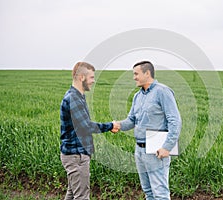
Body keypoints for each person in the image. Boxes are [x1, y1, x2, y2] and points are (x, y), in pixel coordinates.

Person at [118, 61, 182, 199]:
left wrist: (167, 147)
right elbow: (131, 121)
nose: (134, 77)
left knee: (160, 193)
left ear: (147, 73)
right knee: (148, 191)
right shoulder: (138, 96)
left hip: (156, 150)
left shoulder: (162, 92)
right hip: (139, 150)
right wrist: (117, 125)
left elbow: (175, 121)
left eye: (136, 74)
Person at [60, 61, 120, 200]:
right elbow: (86, 126)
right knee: (82, 196)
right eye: (92, 77)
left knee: (72, 194)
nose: (93, 81)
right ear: (82, 77)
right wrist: (110, 126)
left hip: (76, 153)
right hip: (76, 155)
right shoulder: (73, 98)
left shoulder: (78, 96)